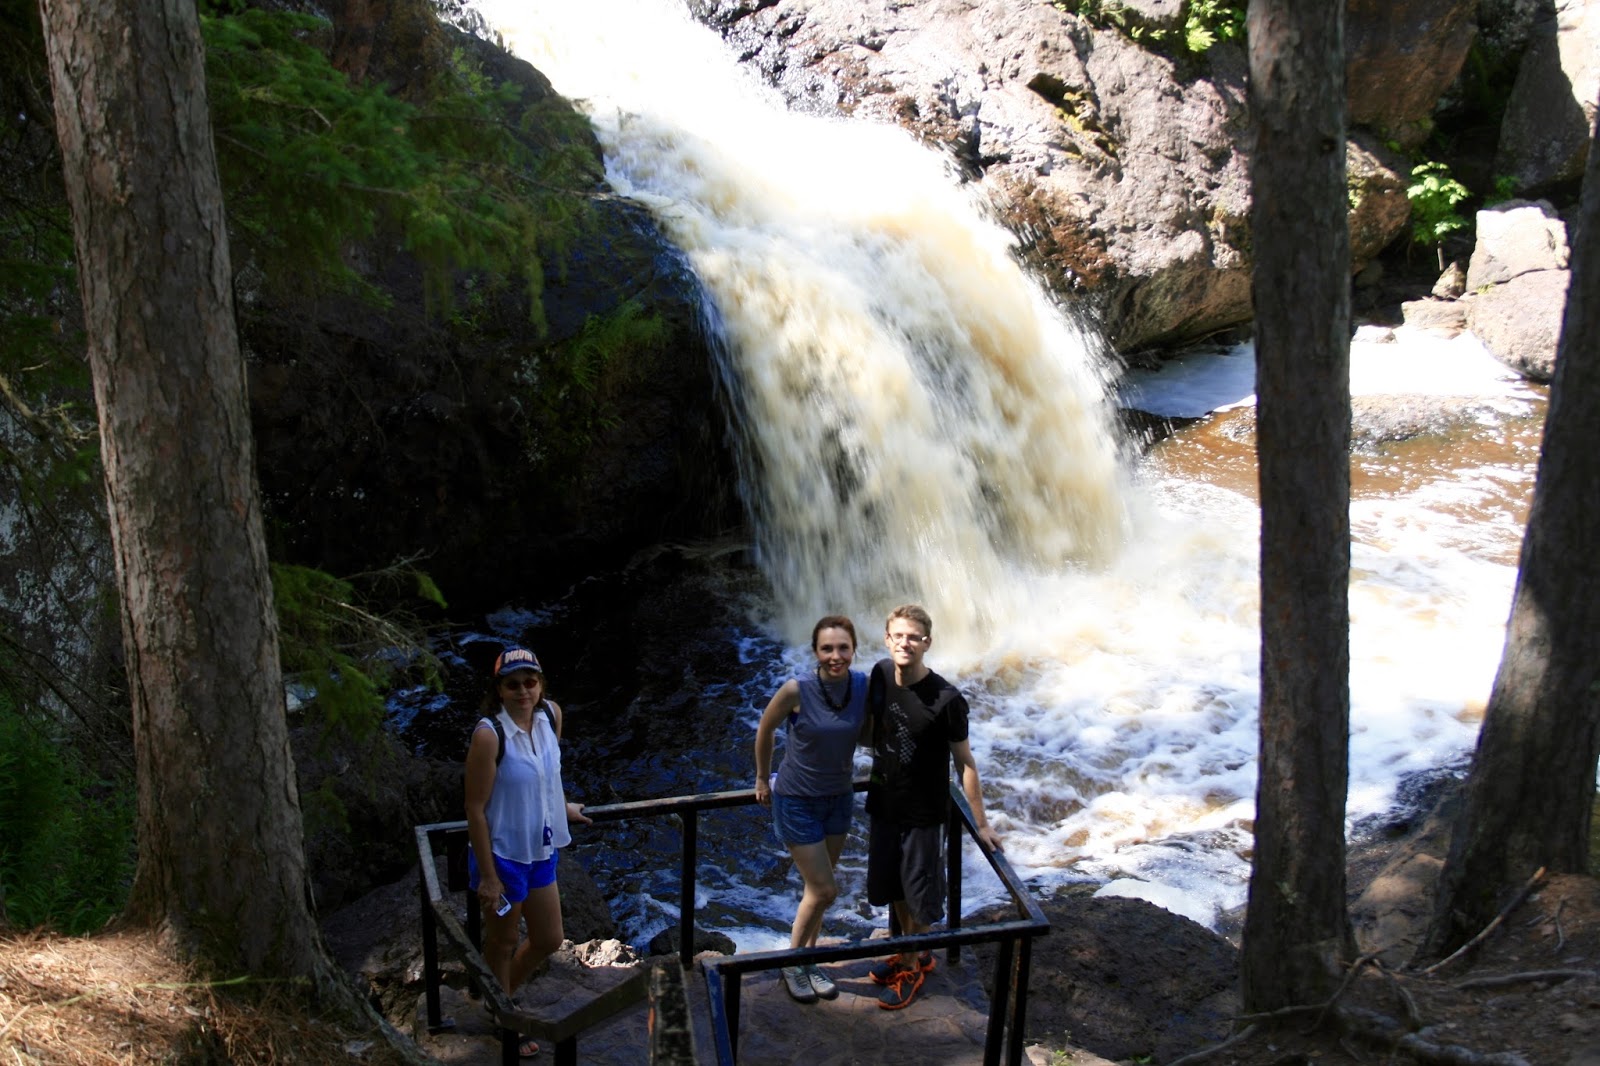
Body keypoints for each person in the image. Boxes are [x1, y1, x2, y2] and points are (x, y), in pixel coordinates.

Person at [864, 604, 1003, 1010]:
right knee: (894, 886)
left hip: (924, 813)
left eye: (914, 637)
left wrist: (981, 824)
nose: (905, 643)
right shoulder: (880, 674)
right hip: (884, 802)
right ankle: (911, 952)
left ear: (927, 643)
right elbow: (871, 730)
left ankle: (911, 966)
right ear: (887, 639)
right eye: (898, 636)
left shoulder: (947, 699)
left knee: (919, 891)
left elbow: (966, 763)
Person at [463, 646, 591, 1059]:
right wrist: (488, 877)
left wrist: (562, 806)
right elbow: (475, 809)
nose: (523, 691)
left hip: (540, 848)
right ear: (498, 690)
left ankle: (498, 998)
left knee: (549, 938)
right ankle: (505, 1017)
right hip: (503, 855)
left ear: (541, 685)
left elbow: (547, 773)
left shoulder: (551, 715)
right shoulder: (489, 735)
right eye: (513, 684)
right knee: (502, 942)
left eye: (530, 682)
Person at [753, 615, 869, 1005]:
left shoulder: (861, 685)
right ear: (815, 651)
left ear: (854, 649)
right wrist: (761, 778)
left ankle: (809, 959)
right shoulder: (796, 689)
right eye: (827, 648)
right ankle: (792, 963)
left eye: (843, 648)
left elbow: (875, 727)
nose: (836, 656)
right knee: (824, 889)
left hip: (839, 798)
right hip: (797, 799)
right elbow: (765, 729)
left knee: (817, 892)